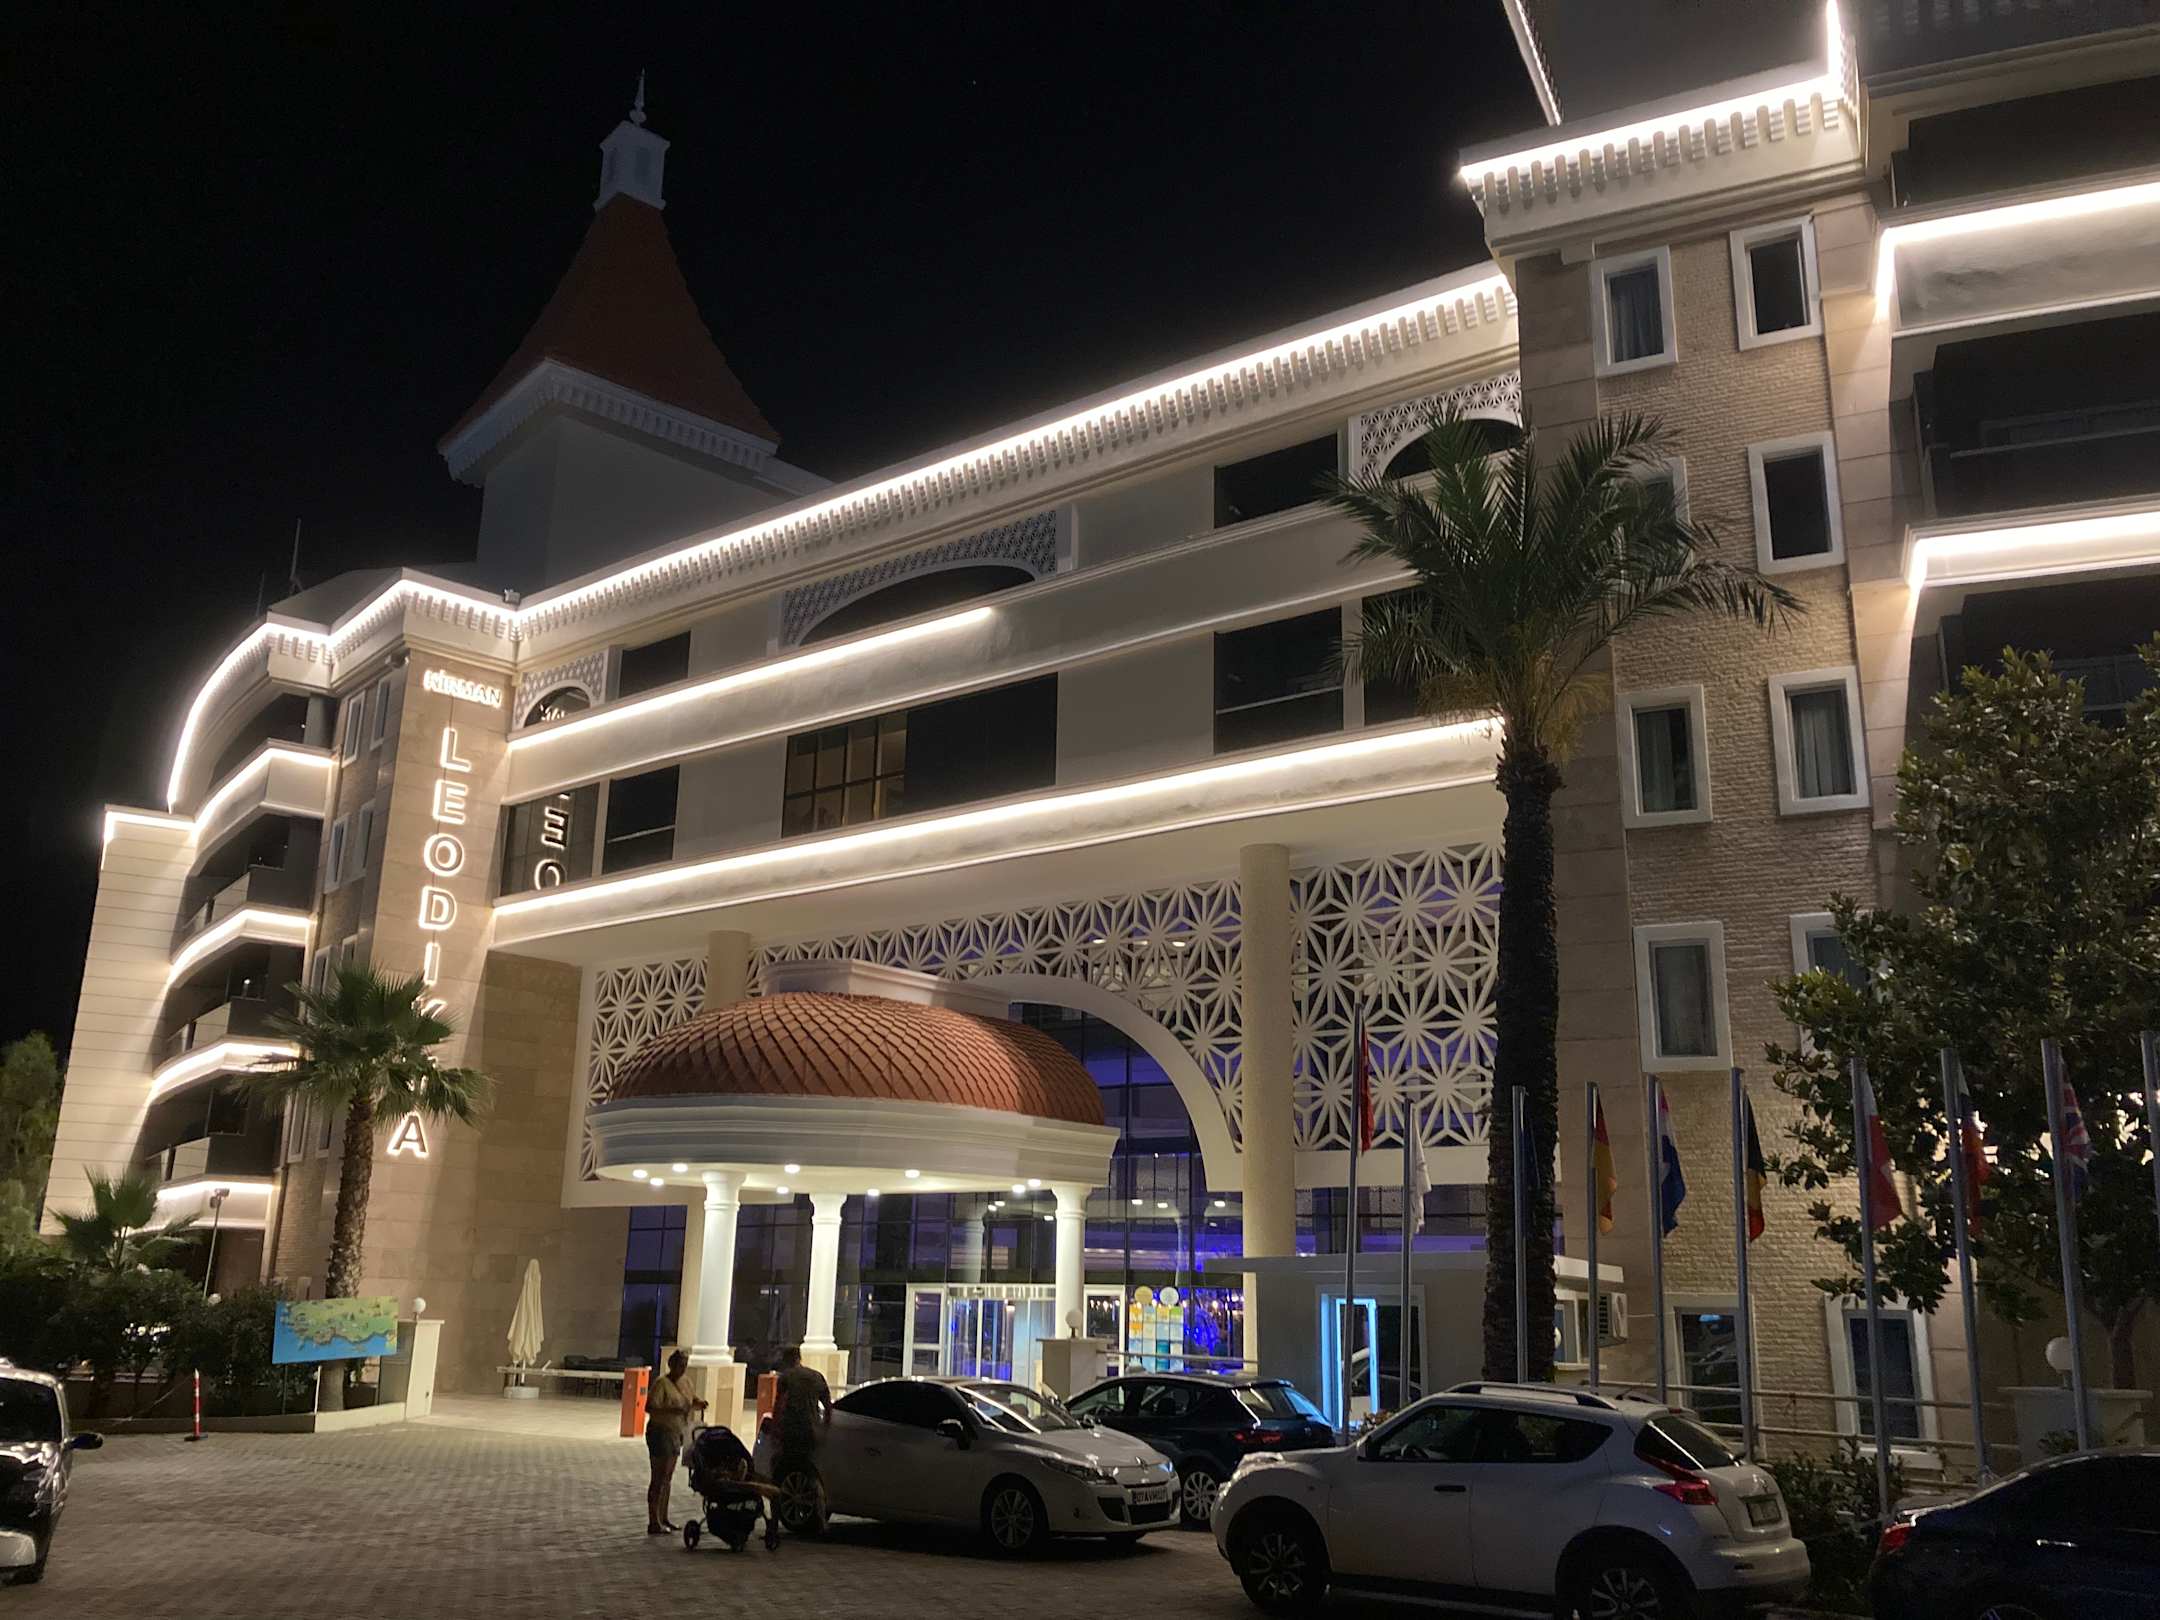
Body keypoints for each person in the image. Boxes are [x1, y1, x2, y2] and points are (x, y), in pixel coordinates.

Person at [768, 1346, 831, 1529]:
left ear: (788, 1359)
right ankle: (821, 1519)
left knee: (779, 1474)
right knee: (810, 1473)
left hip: (791, 1431)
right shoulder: (816, 1376)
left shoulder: (786, 1377)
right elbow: (828, 1407)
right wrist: (823, 1429)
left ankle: (774, 1523)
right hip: (810, 1432)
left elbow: (779, 1405)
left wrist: (774, 1429)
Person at [644, 1349, 706, 1534]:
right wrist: (672, 1410)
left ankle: (663, 1517)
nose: (682, 1369)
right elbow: (650, 1407)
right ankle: (653, 1520)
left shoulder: (686, 1382)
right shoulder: (661, 1383)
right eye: (679, 1365)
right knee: (658, 1476)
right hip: (660, 1432)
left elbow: (690, 1400)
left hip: (677, 1432)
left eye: (685, 1365)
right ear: (671, 1365)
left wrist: (699, 1403)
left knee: (667, 1478)